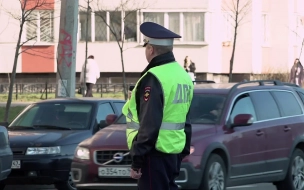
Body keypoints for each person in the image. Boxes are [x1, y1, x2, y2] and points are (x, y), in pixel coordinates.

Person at [121, 22, 194, 190]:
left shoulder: (154, 77)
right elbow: (185, 119)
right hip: (173, 154)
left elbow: (149, 125)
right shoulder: (183, 76)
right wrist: (182, 152)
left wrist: (137, 161)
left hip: (153, 155)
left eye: (146, 47)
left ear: (151, 49)